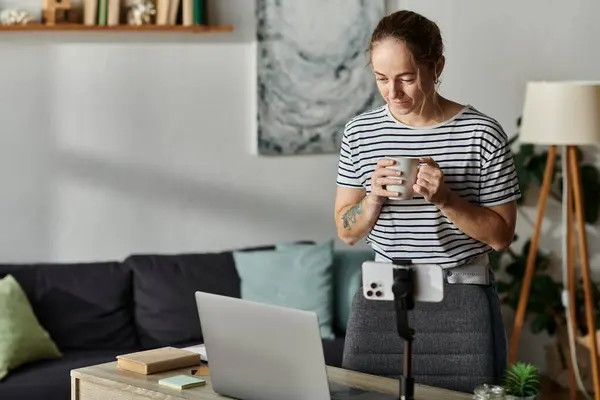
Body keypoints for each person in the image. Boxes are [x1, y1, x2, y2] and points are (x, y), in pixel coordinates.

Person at [334, 10, 520, 393]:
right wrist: (370, 201)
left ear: (437, 67)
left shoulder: (481, 133)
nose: (393, 93)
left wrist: (447, 199)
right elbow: (345, 230)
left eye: (405, 78)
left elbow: (501, 237)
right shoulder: (360, 132)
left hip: (462, 298)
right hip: (383, 296)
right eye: (381, 79)